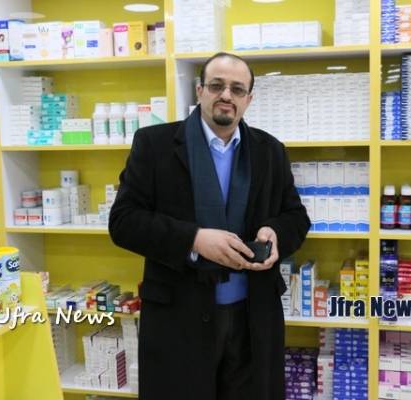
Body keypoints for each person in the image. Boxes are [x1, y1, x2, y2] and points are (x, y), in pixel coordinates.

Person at [109, 52, 310, 400]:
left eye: (237, 89)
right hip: (179, 319)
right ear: (200, 90)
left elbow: (296, 216)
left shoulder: (269, 150)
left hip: (252, 319)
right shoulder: (154, 145)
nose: (226, 95)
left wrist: (275, 233)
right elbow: (124, 221)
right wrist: (194, 239)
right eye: (217, 85)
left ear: (249, 98)